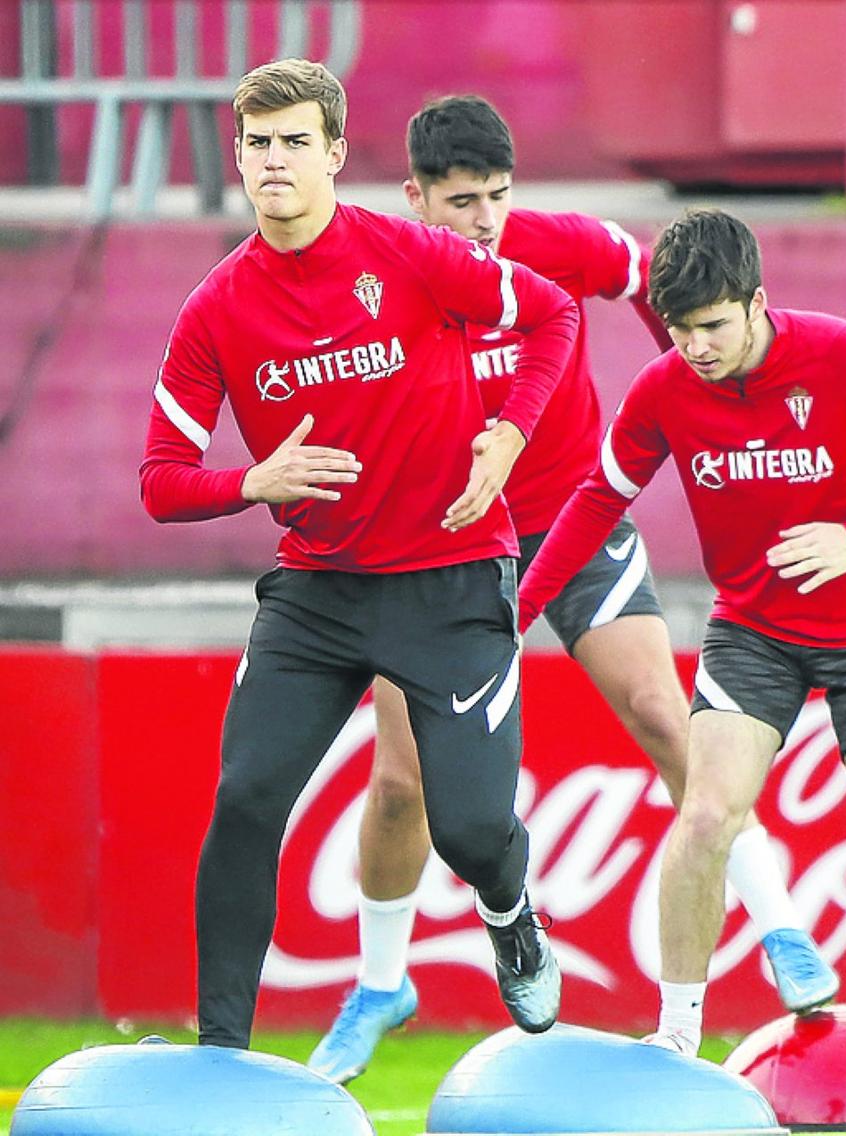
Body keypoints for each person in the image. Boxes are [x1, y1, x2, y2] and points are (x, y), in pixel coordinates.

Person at [309, 96, 839, 1084]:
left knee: (664, 712)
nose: (482, 221)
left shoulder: (562, 247)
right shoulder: (372, 286)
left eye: (498, 198)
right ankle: (383, 980)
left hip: (572, 520)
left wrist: (699, 394)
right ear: (414, 195)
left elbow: (654, 282)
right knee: (398, 783)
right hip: (441, 547)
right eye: (460, 202)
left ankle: (782, 926)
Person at [138, 60, 583, 1049]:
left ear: (335, 154)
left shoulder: (411, 254)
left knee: (470, 829)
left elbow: (553, 312)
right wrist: (251, 483)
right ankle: (221, 1052)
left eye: (296, 141)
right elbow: (163, 478)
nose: (274, 161)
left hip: (452, 578)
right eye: (258, 144)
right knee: (247, 796)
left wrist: (508, 432)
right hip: (319, 593)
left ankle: (511, 919)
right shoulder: (216, 307)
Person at [517, 208, 846, 1111]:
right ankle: (678, 1038)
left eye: (713, 327)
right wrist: (519, 612)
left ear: (759, 303)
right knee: (703, 819)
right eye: (681, 329)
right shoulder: (662, 391)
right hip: (754, 631)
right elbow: (596, 498)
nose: (695, 347)